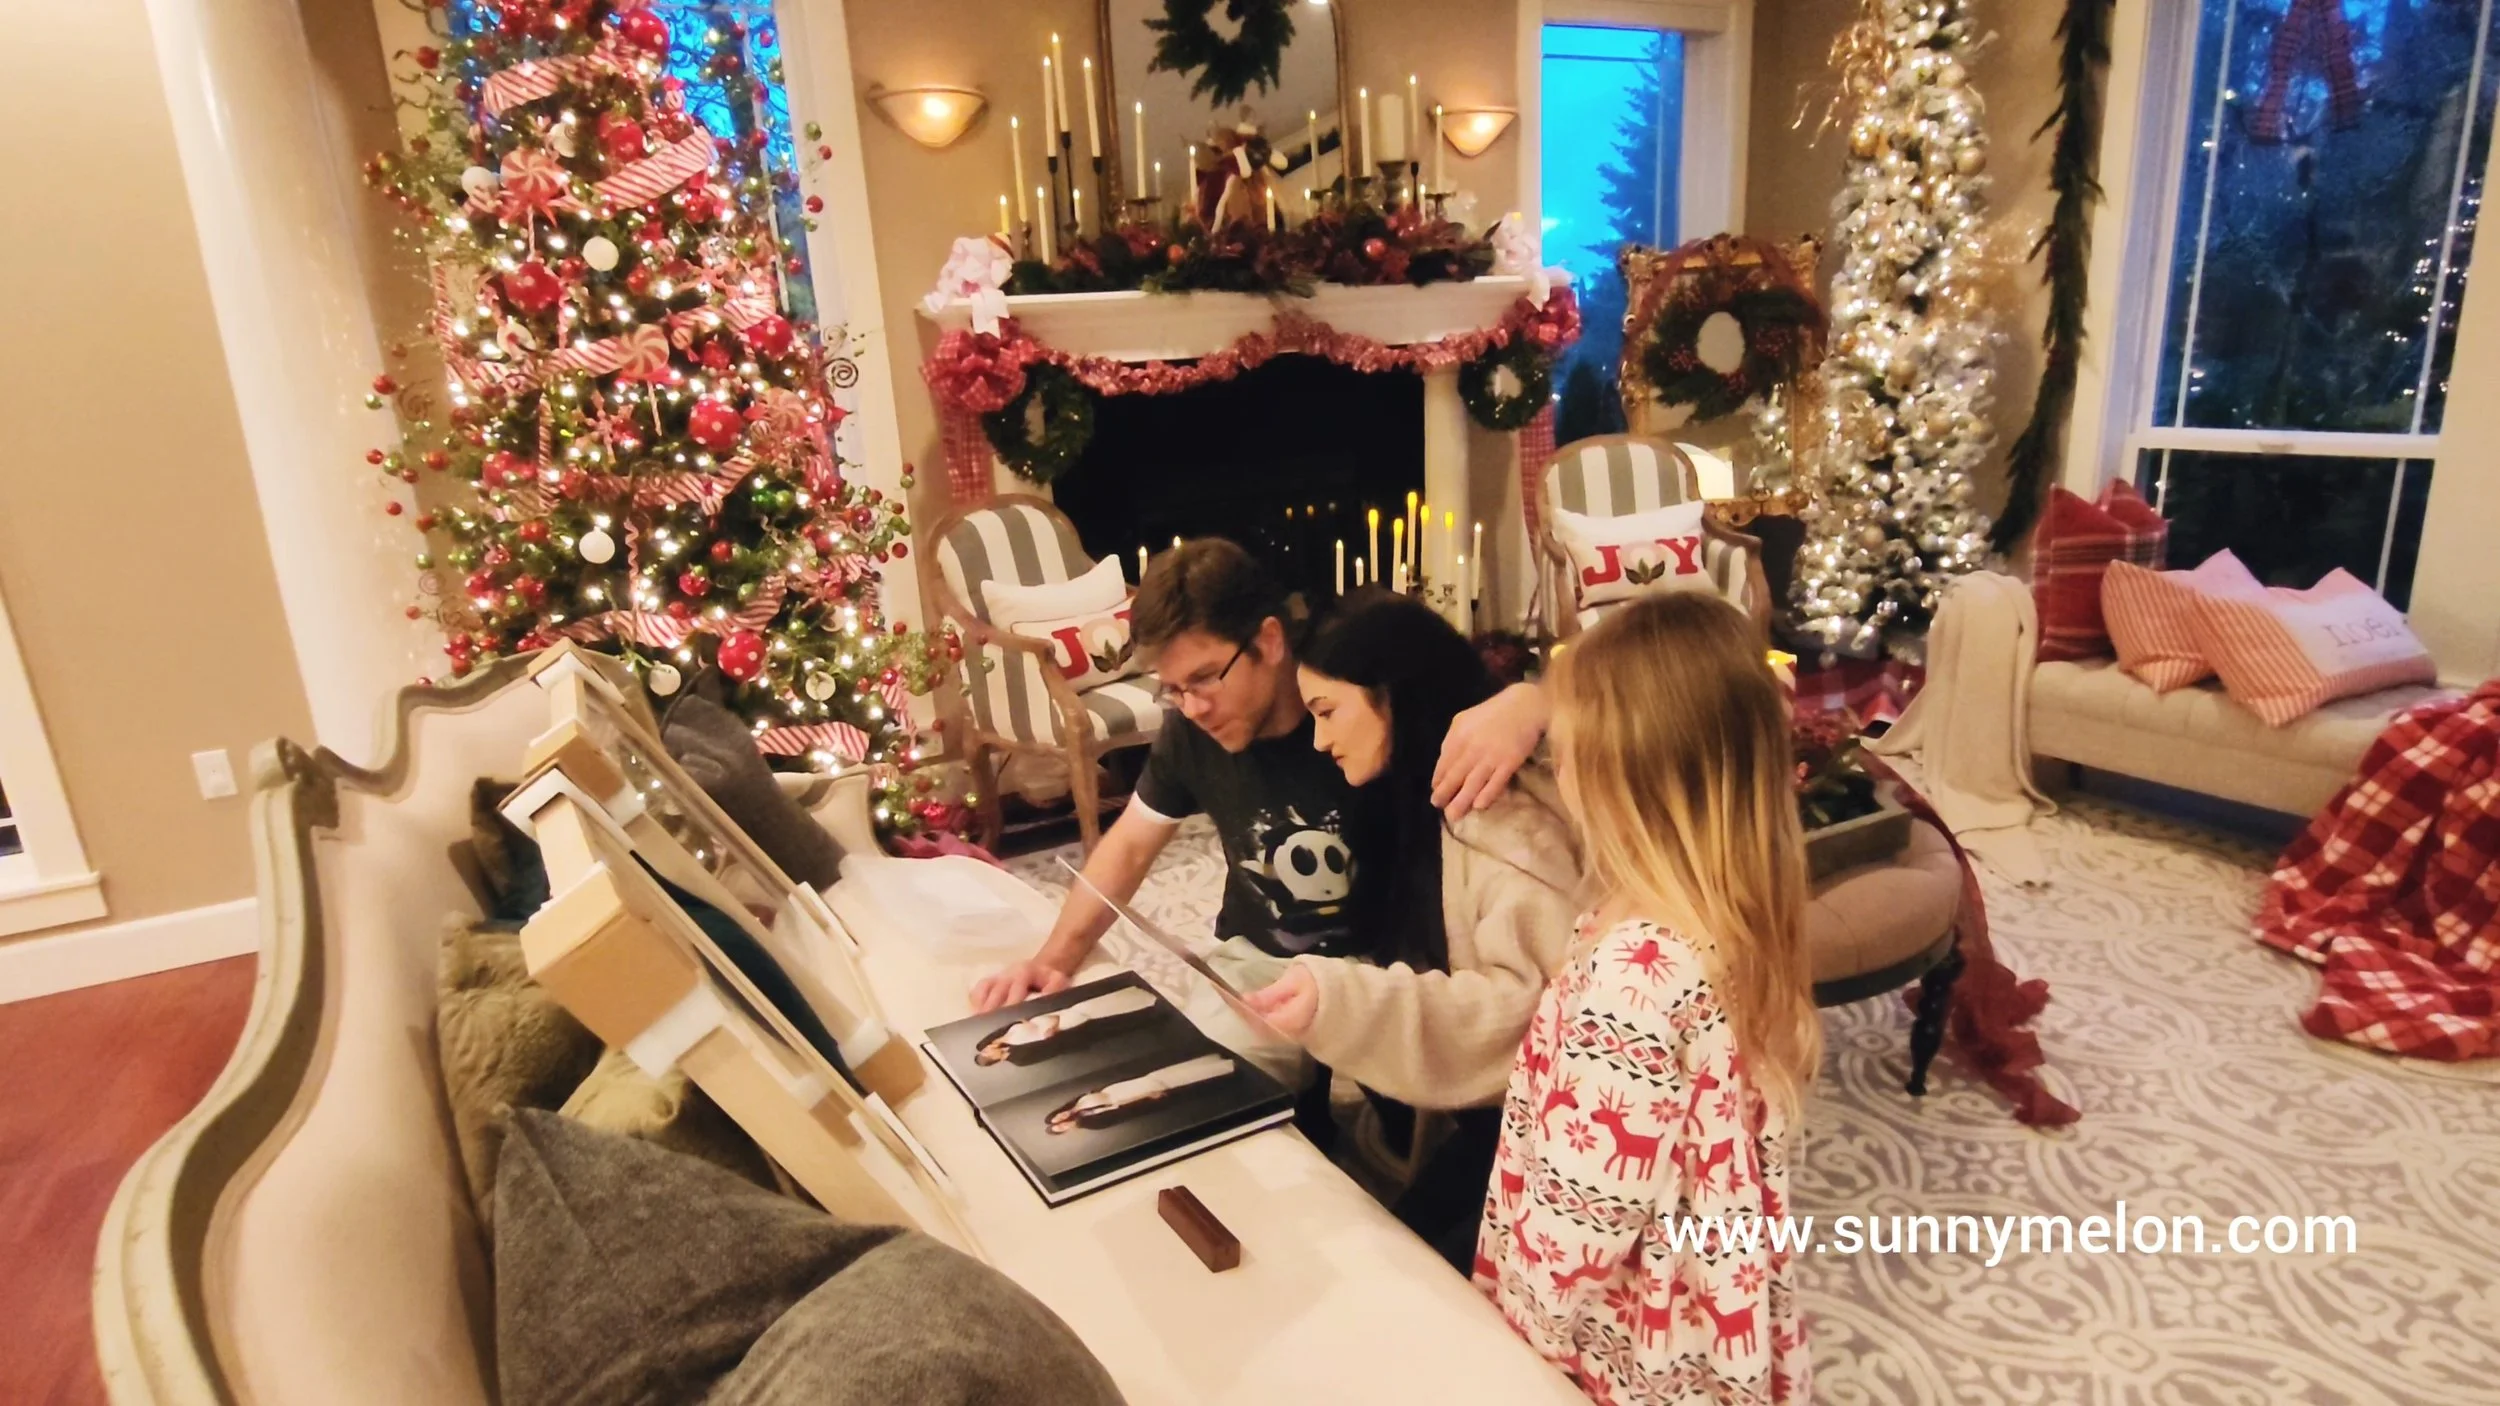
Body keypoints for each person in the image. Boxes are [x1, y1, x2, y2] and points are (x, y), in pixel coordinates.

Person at [1475, 592, 1816, 1404]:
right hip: (1709, 1282)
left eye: (1566, 755)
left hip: (1624, 1329)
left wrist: (1524, 1324)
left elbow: (1587, 1210)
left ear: (1625, 783)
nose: (1555, 772)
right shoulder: (1722, 912)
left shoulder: (1632, 973)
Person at [970, 540, 1547, 1014]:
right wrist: (1052, 960)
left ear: (1269, 641)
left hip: (1383, 965)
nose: (1192, 707)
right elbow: (1128, 846)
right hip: (1257, 961)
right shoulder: (1191, 727)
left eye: (1205, 678)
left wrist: (1535, 702)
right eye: (1173, 688)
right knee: (1201, 1083)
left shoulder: (1351, 692)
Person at [1238, 591, 1582, 1270]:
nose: (1319, 740)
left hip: (1546, 1139)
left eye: (1328, 711)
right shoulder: (1405, 801)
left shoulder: (1501, 823)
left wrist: (1344, 1003)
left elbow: (1534, 1022)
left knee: (1413, 1277)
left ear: (1392, 694)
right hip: (1485, 1126)